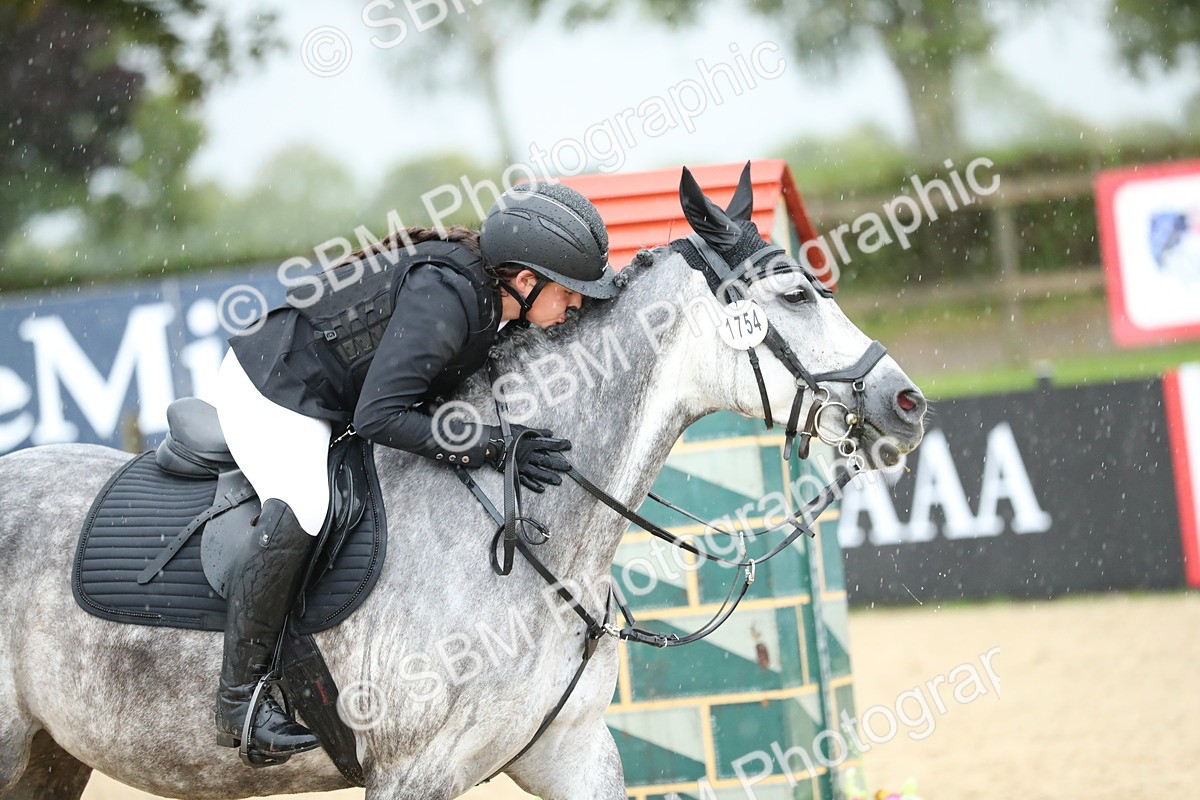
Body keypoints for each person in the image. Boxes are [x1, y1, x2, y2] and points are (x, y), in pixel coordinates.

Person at [211, 181, 619, 760]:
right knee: (307, 504)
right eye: (570, 294)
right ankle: (239, 703)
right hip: (274, 390)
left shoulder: (492, 302)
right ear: (526, 282)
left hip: (327, 394)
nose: (576, 307)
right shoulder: (447, 298)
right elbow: (379, 417)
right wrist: (493, 447)